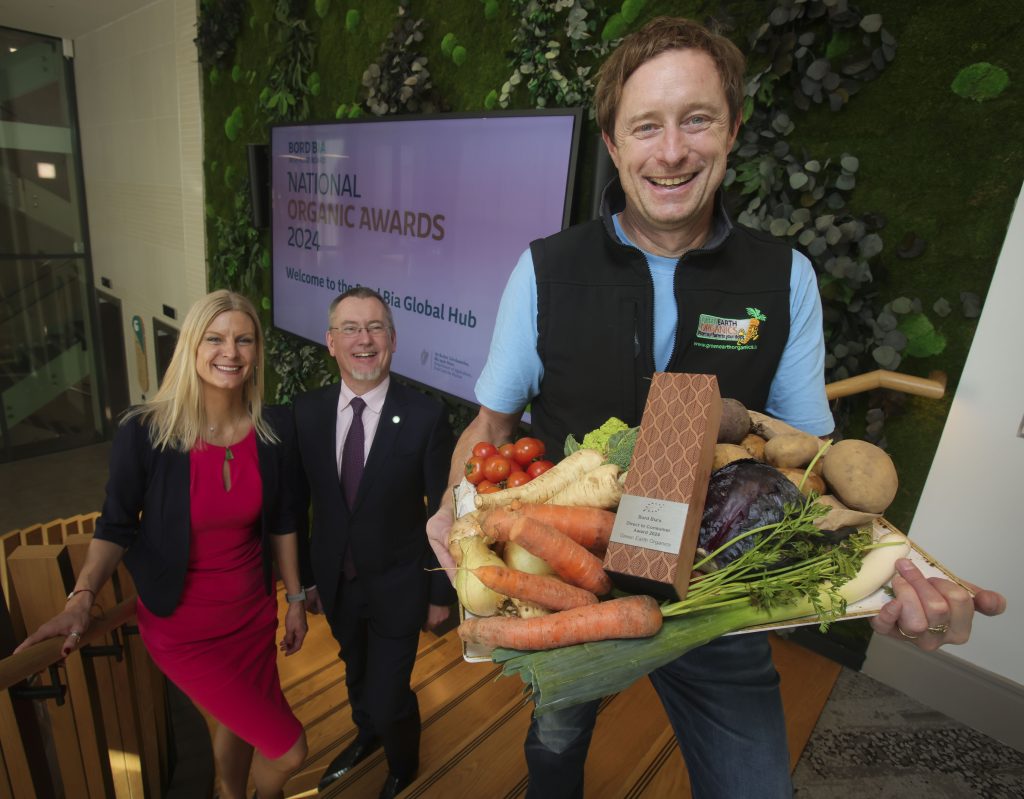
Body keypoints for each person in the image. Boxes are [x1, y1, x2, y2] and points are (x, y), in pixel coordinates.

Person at [425, 16, 1007, 799]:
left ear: (731, 130)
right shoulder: (544, 269)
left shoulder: (783, 277)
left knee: (755, 787)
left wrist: (891, 567)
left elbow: (815, 456)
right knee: (554, 752)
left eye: (696, 119)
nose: (671, 152)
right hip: (571, 584)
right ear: (613, 140)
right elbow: (491, 429)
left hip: (723, 590)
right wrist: (454, 508)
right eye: (647, 126)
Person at [16, 290, 309, 799]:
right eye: (215, 339)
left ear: (257, 350)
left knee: (237, 724)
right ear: (192, 346)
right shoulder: (146, 431)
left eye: (244, 339)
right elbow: (115, 525)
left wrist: (296, 600)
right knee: (289, 750)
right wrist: (83, 597)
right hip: (185, 628)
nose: (231, 352)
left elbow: (283, 520)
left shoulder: (273, 428)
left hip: (252, 615)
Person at [293, 286, 455, 799]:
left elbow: (443, 513)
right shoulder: (306, 412)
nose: (364, 339)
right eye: (350, 329)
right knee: (355, 673)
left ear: (393, 339)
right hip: (336, 585)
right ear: (330, 342)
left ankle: (402, 764)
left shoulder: (427, 417)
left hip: (400, 587)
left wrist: (439, 597)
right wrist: (306, 582)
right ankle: (368, 737)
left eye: (375, 328)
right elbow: (297, 508)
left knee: (390, 697)